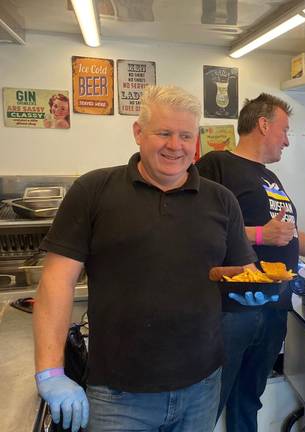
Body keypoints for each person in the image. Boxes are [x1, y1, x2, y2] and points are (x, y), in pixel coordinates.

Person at [33, 85, 261, 432]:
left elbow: (243, 270)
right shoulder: (93, 191)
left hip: (202, 387)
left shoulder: (221, 200)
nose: (175, 145)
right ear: (138, 132)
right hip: (117, 395)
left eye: (186, 135)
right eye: (164, 133)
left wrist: (254, 287)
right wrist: (50, 371)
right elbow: (56, 281)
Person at [196, 93, 305, 432]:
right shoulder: (217, 164)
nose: (287, 140)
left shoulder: (270, 179)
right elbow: (197, 228)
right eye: (284, 130)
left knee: (248, 399)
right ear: (263, 124)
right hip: (232, 309)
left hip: (273, 309)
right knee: (207, 403)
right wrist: (259, 235)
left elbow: (291, 235)